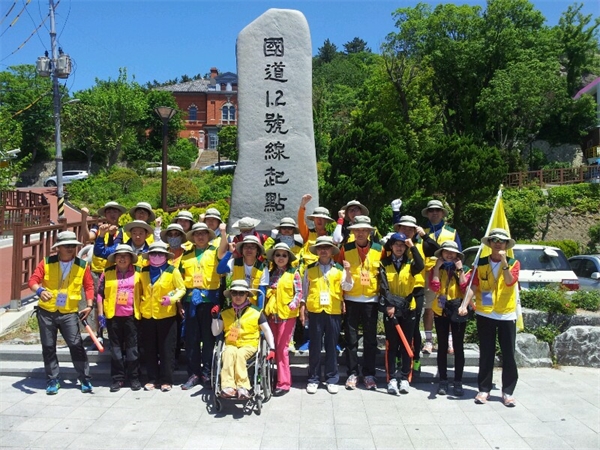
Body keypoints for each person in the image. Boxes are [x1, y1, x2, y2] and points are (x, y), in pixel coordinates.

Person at [28, 231, 95, 395]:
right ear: (58, 248)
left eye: (73, 245)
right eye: (66, 246)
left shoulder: (82, 265)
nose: (70, 248)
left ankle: (84, 378)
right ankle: (52, 380)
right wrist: (40, 291)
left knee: (76, 345)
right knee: (48, 346)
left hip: (69, 312)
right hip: (46, 311)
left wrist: (89, 305)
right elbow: (33, 281)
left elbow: (89, 286)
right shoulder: (47, 262)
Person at [459, 228, 520, 407]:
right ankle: (484, 389)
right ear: (490, 243)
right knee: (486, 352)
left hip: (506, 313)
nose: (498, 243)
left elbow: (509, 281)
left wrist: (504, 262)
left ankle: (507, 391)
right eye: (495, 240)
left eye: (502, 241)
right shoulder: (481, 262)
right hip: (485, 312)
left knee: (508, 353)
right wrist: (464, 305)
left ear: (507, 245)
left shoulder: (514, 263)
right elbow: (473, 285)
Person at [179, 222, 229, 390]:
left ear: (208, 236)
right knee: (191, 339)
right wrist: (179, 303)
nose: (200, 236)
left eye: (203, 233)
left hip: (209, 301)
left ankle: (207, 373)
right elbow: (179, 281)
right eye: (197, 234)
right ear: (193, 237)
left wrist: (223, 232)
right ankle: (193, 374)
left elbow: (224, 248)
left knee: (208, 339)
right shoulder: (185, 256)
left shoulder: (215, 252)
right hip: (190, 301)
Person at [300, 236, 353, 394]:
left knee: (331, 345)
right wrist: (302, 310)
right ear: (317, 250)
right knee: (315, 346)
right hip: (315, 311)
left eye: (326, 248)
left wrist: (348, 271)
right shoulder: (309, 268)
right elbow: (304, 291)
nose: (323, 250)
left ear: (331, 250)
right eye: (320, 248)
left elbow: (348, 287)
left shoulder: (339, 268)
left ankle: (331, 378)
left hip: (333, 311)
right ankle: (313, 378)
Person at [337, 215, 383, 391]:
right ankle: (352, 373)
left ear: (369, 232)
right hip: (351, 299)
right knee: (351, 339)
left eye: (364, 230)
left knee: (370, 340)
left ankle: (369, 374)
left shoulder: (379, 249)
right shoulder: (345, 248)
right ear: (353, 232)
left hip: (371, 299)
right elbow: (339, 275)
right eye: (357, 230)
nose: (361, 233)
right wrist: (341, 298)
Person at [210, 280, 276, 400]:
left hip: (249, 344)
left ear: (246, 295)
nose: (238, 296)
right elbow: (215, 332)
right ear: (231, 295)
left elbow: (267, 331)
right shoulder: (225, 312)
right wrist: (215, 318)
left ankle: (243, 387)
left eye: (241, 293)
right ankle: (228, 387)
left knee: (240, 354)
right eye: (234, 293)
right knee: (228, 353)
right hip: (231, 344)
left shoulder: (256, 312)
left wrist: (272, 348)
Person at [392, 214, 440, 371]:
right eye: (404, 228)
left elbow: (438, 250)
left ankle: (415, 358)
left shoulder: (421, 244)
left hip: (417, 289)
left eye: (410, 229)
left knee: (413, 326)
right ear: (399, 228)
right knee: (397, 325)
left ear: (415, 230)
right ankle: (398, 356)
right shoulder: (394, 243)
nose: (407, 231)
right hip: (398, 289)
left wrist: (424, 236)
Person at [379, 232, 424, 395]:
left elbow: (421, 265)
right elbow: (383, 287)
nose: (399, 248)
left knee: (407, 344)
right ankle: (391, 378)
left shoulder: (411, 263)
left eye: (402, 245)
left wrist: (413, 247)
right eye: (396, 244)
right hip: (391, 309)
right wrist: (389, 305)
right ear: (391, 246)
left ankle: (405, 377)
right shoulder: (384, 263)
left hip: (408, 308)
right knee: (392, 345)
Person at [138, 241, 186, 392]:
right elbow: (139, 291)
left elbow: (181, 289)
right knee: (150, 349)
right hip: (147, 315)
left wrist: (172, 299)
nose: (157, 256)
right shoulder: (144, 271)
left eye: (160, 254)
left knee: (167, 349)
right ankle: (152, 379)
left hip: (167, 316)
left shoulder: (173, 271)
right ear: (149, 256)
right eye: (153, 254)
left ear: (166, 256)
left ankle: (166, 380)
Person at [96, 244, 142, 392]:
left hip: (132, 317)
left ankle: (134, 377)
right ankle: (118, 378)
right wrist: (100, 314)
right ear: (115, 258)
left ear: (131, 258)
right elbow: (100, 294)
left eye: (125, 256)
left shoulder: (139, 272)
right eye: (119, 256)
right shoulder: (107, 272)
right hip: (113, 317)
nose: (122, 258)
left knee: (132, 349)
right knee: (115, 349)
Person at [421, 199, 462, 355]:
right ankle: (429, 341)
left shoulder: (452, 232)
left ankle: (449, 341)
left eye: (437, 210)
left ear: (443, 213)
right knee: (429, 308)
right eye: (431, 210)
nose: (434, 213)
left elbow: (459, 253)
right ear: (427, 213)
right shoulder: (422, 232)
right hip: (428, 274)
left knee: (449, 307)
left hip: (448, 274)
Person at [430, 241, 470, 397]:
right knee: (442, 346)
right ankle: (443, 380)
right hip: (440, 310)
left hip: (458, 310)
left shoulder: (464, 269)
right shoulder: (436, 268)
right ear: (441, 253)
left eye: (452, 252)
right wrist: (436, 269)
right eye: (446, 252)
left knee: (458, 347)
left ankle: (458, 381)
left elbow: (465, 288)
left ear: (457, 255)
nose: (449, 255)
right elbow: (434, 287)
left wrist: (460, 270)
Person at [264, 243, 302, 396]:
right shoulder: (270, 273)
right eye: (278, 255)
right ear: (273, 257)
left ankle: (284, 383)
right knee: (271, 348)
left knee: (282, 349)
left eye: (284, 255)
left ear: (288, 258)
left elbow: (299, 292)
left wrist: (293, 304)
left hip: (287, 316)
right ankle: (271, 378)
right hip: (271, 315)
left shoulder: (294, 273)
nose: (281, 258)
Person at [217, 235, 269, 306]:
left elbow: (261, 292)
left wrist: (259, 310)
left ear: (257, 251)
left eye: (252, 247)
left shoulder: (263, 268)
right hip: (236, 302)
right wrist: (229, 252)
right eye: (246, 247)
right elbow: (220, 270)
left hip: (253, 306)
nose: (249, 250)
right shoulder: (234, 262)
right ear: (242, 250)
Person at [297, 194, 334, 271]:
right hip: (308, 271)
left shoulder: (331, 237)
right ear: (313, 219)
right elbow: (300, 222)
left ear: (326, 220)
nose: (319, 220)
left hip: (327, 270)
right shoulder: (308, 233)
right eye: (317, 218)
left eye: (322, 218)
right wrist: (302, 206)